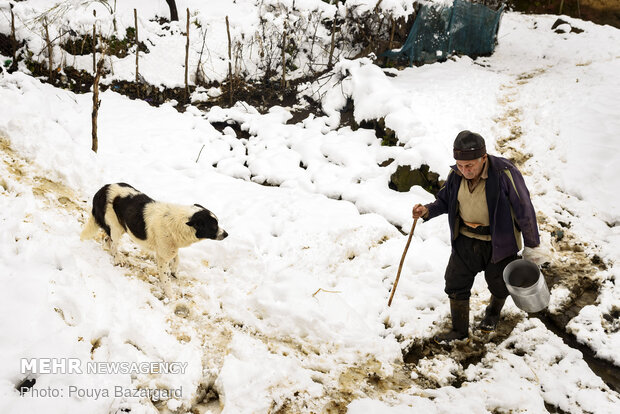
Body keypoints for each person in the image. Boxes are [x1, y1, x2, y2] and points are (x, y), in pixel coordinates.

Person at [412, 130, 548, 344]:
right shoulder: (455, 175)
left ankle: (492, 314)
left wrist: (532, 245)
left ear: (483, 158)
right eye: (460, 165)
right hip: (466, 240)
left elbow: (524, 208)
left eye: (470, 166)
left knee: (499, 284)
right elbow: (444, 200)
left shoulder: (504, 173)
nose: (464, 171)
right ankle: (459, 330)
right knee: (455, 282)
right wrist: (427, 211)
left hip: (499, 244)